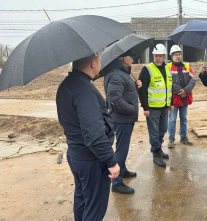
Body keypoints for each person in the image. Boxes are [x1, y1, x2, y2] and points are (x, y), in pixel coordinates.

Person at [56, 52, 120, 221]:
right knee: (94, 208)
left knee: (83, 198)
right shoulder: (85, 90)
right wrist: (111, 162)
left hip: (76, 154)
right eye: (99, 60)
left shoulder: (66, 85)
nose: (100, 63)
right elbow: (94, 135)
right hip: (91, 159)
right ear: (93, 63)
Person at [102, 50, 142, 194]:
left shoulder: (121, 73)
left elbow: (124, 93)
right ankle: (117, 182)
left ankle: (122, 170)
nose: (133, 60)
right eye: (132, 57)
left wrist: (134, 87)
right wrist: (131, 109)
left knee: (123, 147)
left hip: (124, 118)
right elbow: (115, 99)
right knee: (121, 149)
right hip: (122, 118)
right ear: (125, 59)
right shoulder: (116, 75)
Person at [138, 43, 174, 167]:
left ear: (164, 57)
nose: (157, 58)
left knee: (163, 129)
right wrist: (145, 108)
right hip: (152, 108)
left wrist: (171, 103)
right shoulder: (147, 70)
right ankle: (155, 153)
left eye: (160, 56)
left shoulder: (168, 69)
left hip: (165, 106)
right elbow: (142, 90)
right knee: (154, 131)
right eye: (155, 56)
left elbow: (170, 87)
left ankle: (158, 148)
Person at [167, 45, 196, 148]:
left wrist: (186, 90)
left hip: (184, 99)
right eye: (176, 55)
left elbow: (193, 80)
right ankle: (171, 138)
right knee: (172, 119)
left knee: (184, 119)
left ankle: (183, 137)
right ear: (172, 56)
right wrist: (181, 91)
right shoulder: (168, 67)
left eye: (179, 54)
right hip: (174, 100)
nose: (178, 57)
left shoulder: (186, 67)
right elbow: (168, 82)